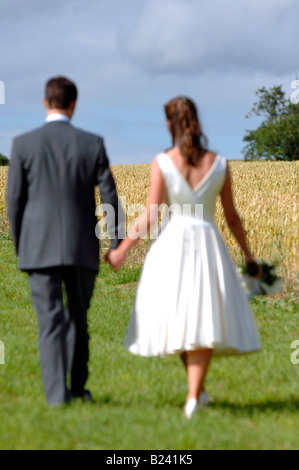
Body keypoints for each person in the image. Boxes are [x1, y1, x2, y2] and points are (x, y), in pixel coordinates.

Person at [106, 96, 261, 419]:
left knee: (179, 315)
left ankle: (192, 396)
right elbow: (232, 217)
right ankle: (198, 394)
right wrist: (247, 255)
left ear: (168, 124)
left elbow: (151, 212)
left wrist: (122, 249)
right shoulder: (219, 164)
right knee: (202, 315)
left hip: (172, 243)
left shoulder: (162, 161)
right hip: (207, 242)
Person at [7, 76, 125, 406]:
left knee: (49, 322)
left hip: (38, 248)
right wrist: (116, 242)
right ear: (74, 104)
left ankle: (57, 397)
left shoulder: (23, 144)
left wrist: (22, 245)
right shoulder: (92, 143)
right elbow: (109, 195)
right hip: (82, 246)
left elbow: (14, 201)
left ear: (45, 103)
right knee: (78, 319)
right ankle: (77, 389)